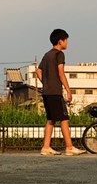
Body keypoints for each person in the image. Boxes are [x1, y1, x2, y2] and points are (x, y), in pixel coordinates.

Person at [36, 28, 84, 156]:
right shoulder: (59, 54)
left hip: (46, 92)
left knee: (51, 120)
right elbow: (61, 73)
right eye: (66, 40)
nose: (67, 43)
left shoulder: (47, 55)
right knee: (64, 119)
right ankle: (69, 147)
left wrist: (45, 83)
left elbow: (38, 71)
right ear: (60, 41)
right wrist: (68, 90)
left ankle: (46, 147)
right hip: (55, 92)